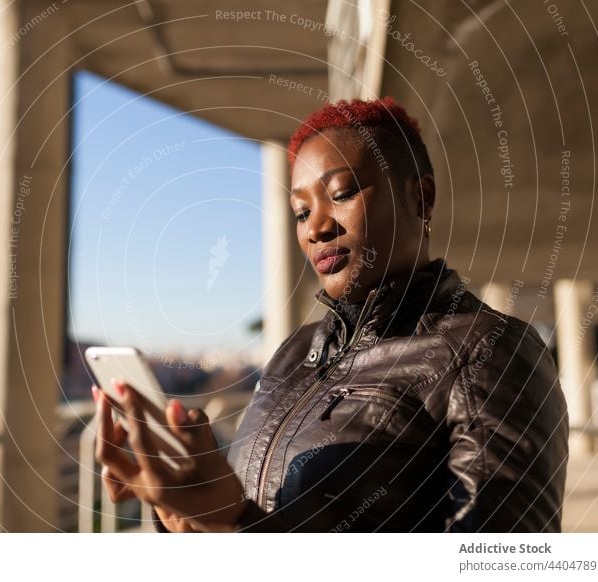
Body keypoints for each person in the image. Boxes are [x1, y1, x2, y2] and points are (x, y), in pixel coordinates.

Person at [92, 96, 569, 532]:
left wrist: (238, 526)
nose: (316, 228)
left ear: (420, 198)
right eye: (301, 212)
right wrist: (187, 520)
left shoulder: (492, 353)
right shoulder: (294, 353)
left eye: (341, 194)